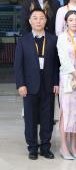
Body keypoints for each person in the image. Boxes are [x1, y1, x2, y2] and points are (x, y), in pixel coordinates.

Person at [18, 9, 59, 160]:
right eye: (35, 18)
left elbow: (56, 64)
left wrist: (56, 82)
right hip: (29, 85)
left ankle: (45, 147)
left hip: (48, 84)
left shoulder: (53, 39)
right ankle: (33, 148)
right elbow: (18, 65)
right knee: (30, 118)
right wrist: (21, 84)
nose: (38, 21)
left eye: (41, 18)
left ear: (46, 21)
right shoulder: (23, 40)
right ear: (30, 21)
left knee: (47, 117)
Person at [56, 11, 76, 160]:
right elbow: (63, 58)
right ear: (66, 22)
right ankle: (63, 146)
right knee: (66, 113)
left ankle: (73, 146)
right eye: (71, 20)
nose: (74, 22)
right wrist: (75, 74)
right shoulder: (62, 37)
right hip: (68, 78)